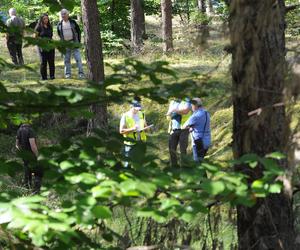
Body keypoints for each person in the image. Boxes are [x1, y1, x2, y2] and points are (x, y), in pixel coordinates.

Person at [120, 100, 149, 167]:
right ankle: (126, 175)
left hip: (141, 142)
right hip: (130, 143)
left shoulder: (142, 114)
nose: (137, 111)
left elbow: (146, 126)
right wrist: (132, 129)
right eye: (136, 109)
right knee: (128, 163)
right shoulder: (125, 116)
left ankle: (138, 176)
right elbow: (121, 131)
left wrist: (147, 128)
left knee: (139, 162)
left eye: (138, 109)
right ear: (131, 107)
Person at [57, 9, 84, 79]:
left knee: (78, 59)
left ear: (68, 14)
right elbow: (59, 34)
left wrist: (78, 41)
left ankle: (81, 74)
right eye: (62, 14)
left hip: (74, 43)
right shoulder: (59, 24)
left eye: (64, 14)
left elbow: (78, 31)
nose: (63, 15)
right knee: (66, 60)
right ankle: (68, 75)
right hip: (65, 44)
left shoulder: (72, 22)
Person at [182, 98, 211, 162]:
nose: (191, 107)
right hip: (207, 141)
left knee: (197, 163)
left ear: (195, 106)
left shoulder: (195, 116)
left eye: (191, 105)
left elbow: (184, 126)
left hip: (198, 141)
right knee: (201, 162)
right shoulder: (206, 113)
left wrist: (190, 127)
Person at [16, 124, 42, 193]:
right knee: (37, 171)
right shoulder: (30, 130)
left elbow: (17, 145)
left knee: (27, 170)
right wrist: (37, 155)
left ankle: (27, 188)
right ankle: (37, 190)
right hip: (31, 155)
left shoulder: (19, 130)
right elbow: (33, 145)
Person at [166, 98, 192, 167]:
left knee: (183, 149)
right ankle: (175, 167)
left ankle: (184, 167)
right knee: (172, 149)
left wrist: (174, 111)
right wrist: (171, 113)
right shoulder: (172, 102)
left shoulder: (187, 100)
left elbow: (185, 111)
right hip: (174, 129)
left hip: (184, 128)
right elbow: (168, 115)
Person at [35, 13, 55, 80]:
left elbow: (51, 36)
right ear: (41, 19)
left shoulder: (50, 26)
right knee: (43, 62)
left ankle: (52, 76)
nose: (46, 20)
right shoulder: (38, 27)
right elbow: (35, 37)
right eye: (44, 19)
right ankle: (44, 77)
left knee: (51, 61)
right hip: (42, 47)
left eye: (47, 18)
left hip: (50, 46)